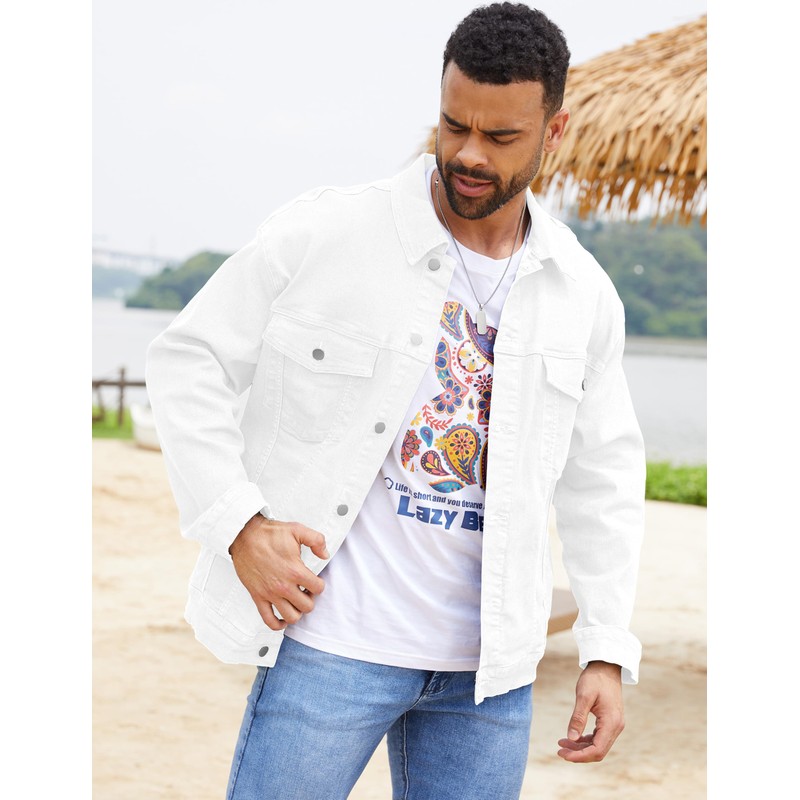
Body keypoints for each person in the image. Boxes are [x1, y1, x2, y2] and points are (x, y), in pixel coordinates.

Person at [146, 3, 645, 798]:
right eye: (454, 125)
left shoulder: (581, 291)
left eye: (501, 136)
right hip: (329, 646)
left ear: (554, 132)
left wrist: (607, 648)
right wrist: (239, 525)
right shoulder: (331, 232)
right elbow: (188, 360)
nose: (469, 154)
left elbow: (604, 480)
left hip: (488, 677)